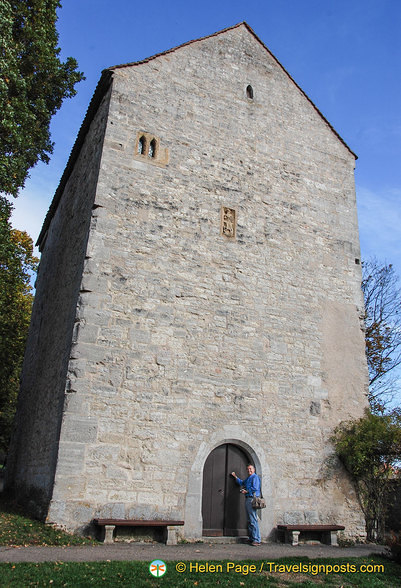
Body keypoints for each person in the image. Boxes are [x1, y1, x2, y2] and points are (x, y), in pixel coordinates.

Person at [231, 464, 261, 546]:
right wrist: (235, 477)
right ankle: (252, 538)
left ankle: (256, 539)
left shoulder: (255, 477)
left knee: (253, 519)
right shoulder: (248, 478)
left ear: (254, 469)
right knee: (249, 519)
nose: (249, 470)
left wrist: (246, 491)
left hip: (252, 499)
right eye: (248, 469)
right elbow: (242, 482)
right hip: (248, 499)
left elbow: (255, 488)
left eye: (250, 469)